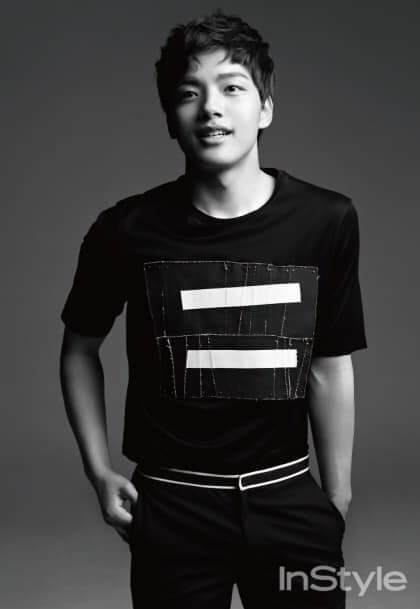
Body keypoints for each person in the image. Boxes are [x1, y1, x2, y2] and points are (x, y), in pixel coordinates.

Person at [59, 10, 367, 609]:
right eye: (188, 94)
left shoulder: (327, 219)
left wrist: (337, 496)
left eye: (232, 87)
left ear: (265, 108)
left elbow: (329, 363)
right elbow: (78, 349)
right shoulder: (125, 229)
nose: (211, 109)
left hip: (287, 496)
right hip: (172, 505)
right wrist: (99, 471)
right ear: (169, 119)